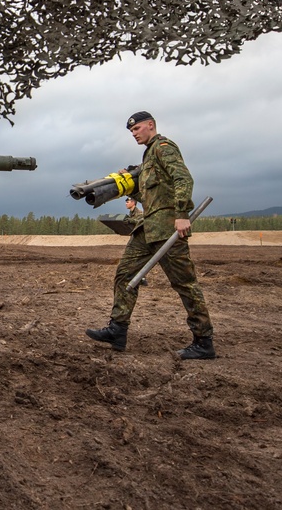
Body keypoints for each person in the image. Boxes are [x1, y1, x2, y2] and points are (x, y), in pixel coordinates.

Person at [85, 111, 215, 359]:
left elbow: (183, 179)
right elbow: (150, 197)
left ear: (150, 125)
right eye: (131, 131)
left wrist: (182, 213)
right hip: (147, 228)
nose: (133, 134)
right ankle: (117, 329)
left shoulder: (164, 148)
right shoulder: (147, 161)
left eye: (136, 129)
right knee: (125, 274)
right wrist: (130, 188)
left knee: (185, 284)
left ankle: (203, 341)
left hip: (168, 230)